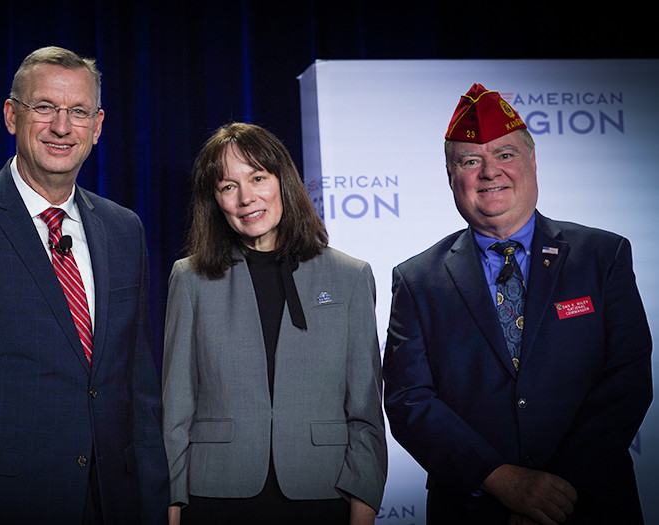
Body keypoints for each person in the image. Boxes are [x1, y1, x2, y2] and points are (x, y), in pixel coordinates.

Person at [0, 46, 169, 524]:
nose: (62, 127)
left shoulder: (123, 228)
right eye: (44, 107)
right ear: (12, 115)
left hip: (113, 501)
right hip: (0, 504)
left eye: (78, 112)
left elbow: (138, 386)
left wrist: (153, 500)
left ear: (99, 125)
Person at [382, 83, 653, 524]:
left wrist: (551, 493)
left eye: (505, 155)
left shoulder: (603, 256)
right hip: (473, 510)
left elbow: (627, 380)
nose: (490, 172)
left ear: (532, 161)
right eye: (471, 161)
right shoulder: (417, 280)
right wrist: (504, 481)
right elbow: (410, 401)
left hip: (590, 504)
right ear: (451, 177)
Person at [162, 122, 387, 525]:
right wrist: (172, 503)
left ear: (283, 181)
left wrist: (363, 506)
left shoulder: (350, 277)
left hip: (322, 490)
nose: (246, 197)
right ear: (215, 201)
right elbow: (177, 407)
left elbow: (366, 411)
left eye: (258, 178)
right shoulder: (190, 278)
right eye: (227, 186)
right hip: (215, 493)